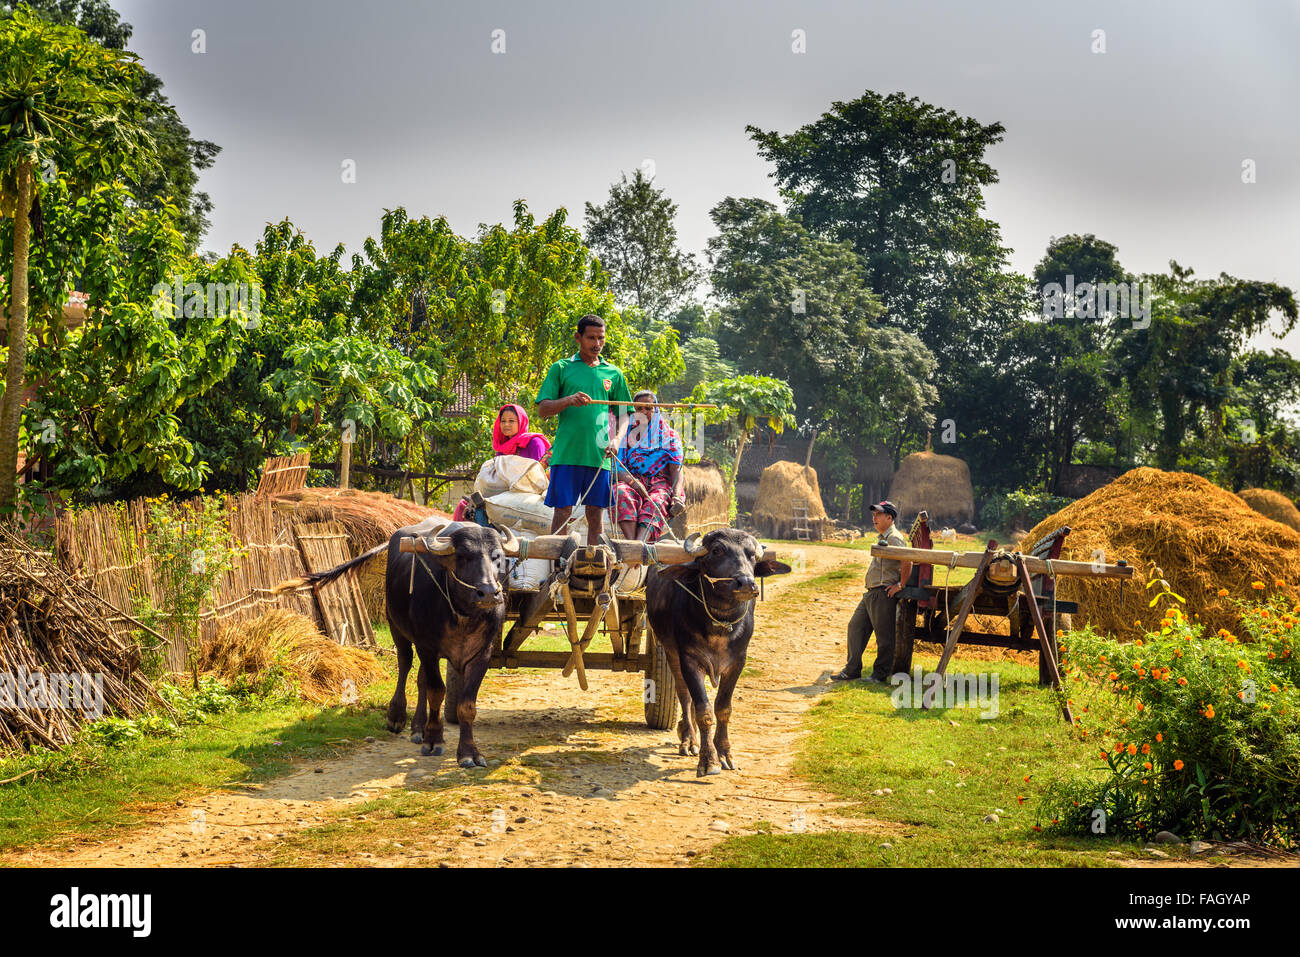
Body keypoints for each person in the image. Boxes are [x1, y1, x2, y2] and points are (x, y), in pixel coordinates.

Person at [535, 314, 633, 546]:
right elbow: (543, 409)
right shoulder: (561, 368)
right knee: (562, 513)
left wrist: (617, 439)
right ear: (578, 337)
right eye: (591, 338)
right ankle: (557, 567)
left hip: (600, 456)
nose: (597, 344)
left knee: (595, 515)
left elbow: (624, 415)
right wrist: (569, 400)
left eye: (601, 338)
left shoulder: (614, 374)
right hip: (567, 454)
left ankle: (593, 565)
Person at [831, 500, 913, 684]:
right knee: (855, 626)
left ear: (889, 517)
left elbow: (907, 561)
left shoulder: (894, 537)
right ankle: (852, 670)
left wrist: (900, 585)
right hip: (871, 593)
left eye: (878, 514)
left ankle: (879, 675)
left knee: (884, 637)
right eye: (873, 514)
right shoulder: (883, 536)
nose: (874, 518)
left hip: (883, 593)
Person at [453, 403, 552, 523]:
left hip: (528, 492)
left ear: (521, 422)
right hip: (503, 492)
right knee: (464, 505)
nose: (506, 425)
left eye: (511, 421)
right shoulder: (502, 448)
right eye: (503, 421)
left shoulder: (534, 443)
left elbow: (536, 476)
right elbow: (497, 477)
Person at [612, 390, 686, 542]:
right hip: (630, 480)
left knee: (657, 501)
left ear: (656, 409)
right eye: (639, 409)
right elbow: (616, 468)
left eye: (648, 408)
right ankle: (634, 546)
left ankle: (637, 546)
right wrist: (634, 483)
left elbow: (676, 470)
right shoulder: (625, 435)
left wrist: (677, 496)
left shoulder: (670, 436)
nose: (643, 412)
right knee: (620, 492)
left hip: (659, 484)